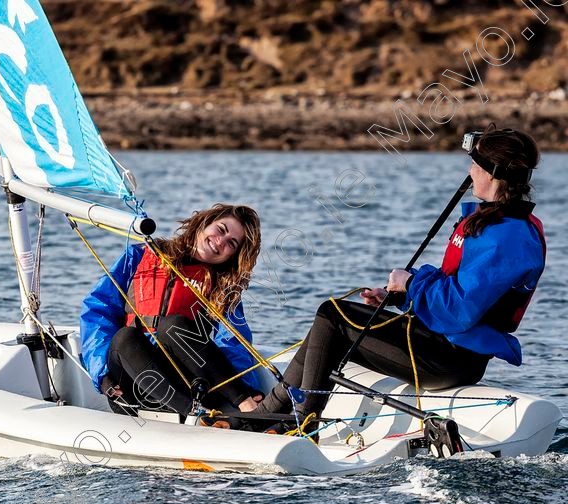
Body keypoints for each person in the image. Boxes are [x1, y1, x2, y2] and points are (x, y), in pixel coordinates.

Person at [251, 125, 546, 435]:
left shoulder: (509, 237)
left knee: (332, 316)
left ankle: (301, 424)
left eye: (475, 163)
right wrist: (399, 295)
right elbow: (457, 289)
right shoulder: (495, 222)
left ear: (492, 172)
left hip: (450, 357)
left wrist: (411, 284)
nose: (470, 170)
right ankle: (265, 415)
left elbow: (459, 309)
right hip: (439, 342)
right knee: (330, 319)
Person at [80, 204, 265, 417]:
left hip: (187, 384)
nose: (220, 241)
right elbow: (97, 312)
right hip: (131, 386)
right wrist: (101, 374)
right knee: (125, 337)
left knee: (173, 325)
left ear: (232, 256)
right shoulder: (139, 256)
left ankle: (242, 405)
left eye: (231, 243)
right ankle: (196, 415)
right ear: (204, 223)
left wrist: (244, 386)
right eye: (221, 229)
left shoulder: (221, 286)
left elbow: (233, 340)